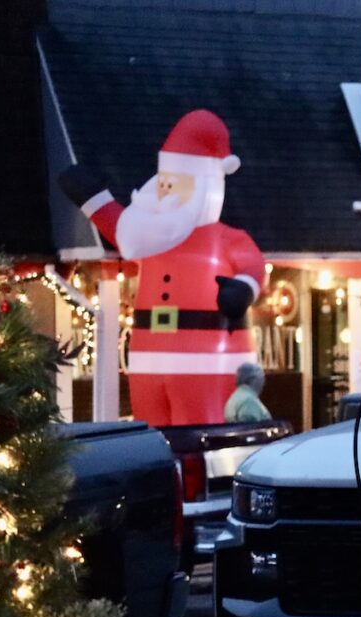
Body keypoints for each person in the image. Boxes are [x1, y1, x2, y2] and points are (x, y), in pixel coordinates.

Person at [59, 109, 265, 427]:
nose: (166, 190)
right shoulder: (152, 237)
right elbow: (123, 228)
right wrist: (92, 198)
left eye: (177, 183)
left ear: (206, 185)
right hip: (146, 360)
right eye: (164, 182)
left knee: (200, 435)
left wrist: (242, 289)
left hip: (208, 362)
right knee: (153, 434)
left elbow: (252, 266)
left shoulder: (227, 239)